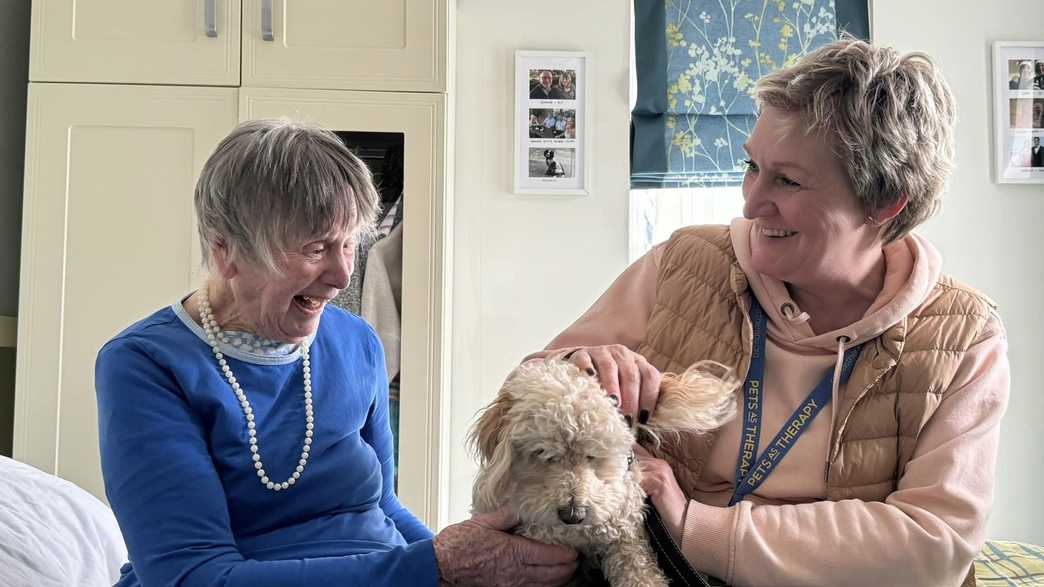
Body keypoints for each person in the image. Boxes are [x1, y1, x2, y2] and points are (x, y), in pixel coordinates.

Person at [525, 39, 1009, 587]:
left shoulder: (964, 337)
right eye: (751, 167)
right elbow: (524, 394)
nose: (751, 204)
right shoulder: (685, 262)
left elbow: (932, 545)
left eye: (787, 180)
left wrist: (694, 527)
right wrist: (578, 366)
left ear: (884, 202)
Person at [96, 119, 578, 587]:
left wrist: (458, 564)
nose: (343, 275)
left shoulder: (357, 341)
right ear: (226, 251)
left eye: (349, 243)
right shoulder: (146, 366)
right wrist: (435, 567)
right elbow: (193, 577)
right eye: (315, 248)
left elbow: (382, 508)